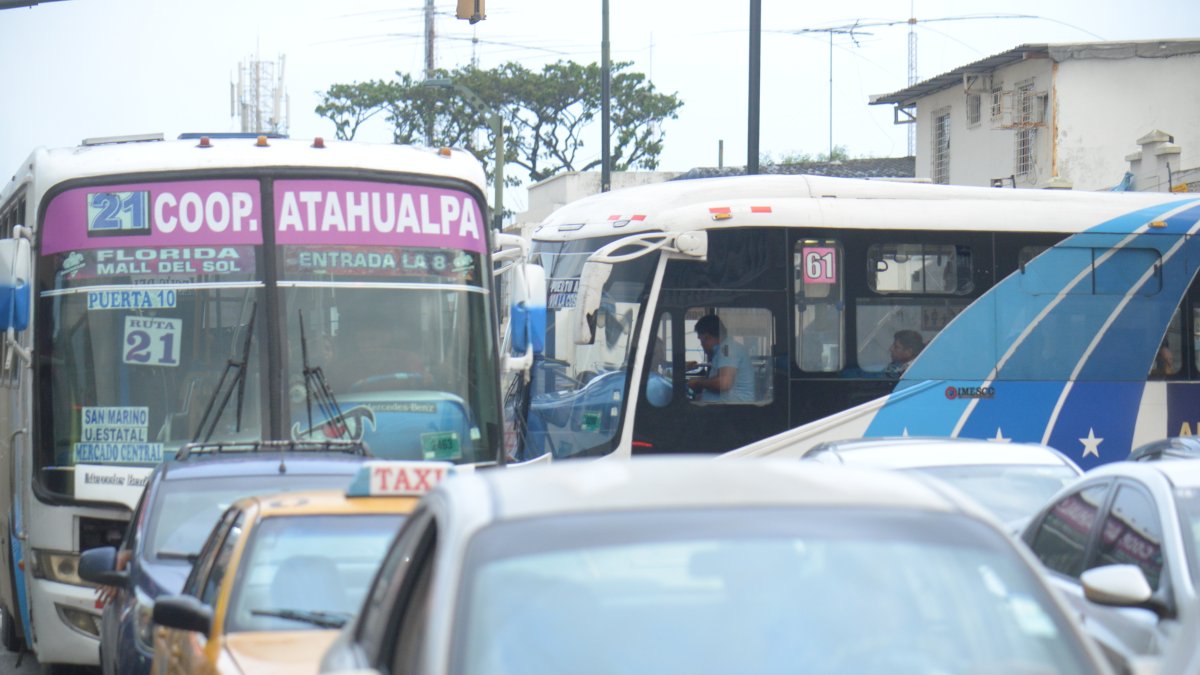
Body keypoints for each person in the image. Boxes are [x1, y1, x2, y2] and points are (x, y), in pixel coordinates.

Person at [687, 314, 756, 402]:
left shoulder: (727, 349)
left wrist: (698, 383)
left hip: (732, 409)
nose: (701, 345)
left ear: (707, 337)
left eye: (701, 340)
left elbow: (724, 383)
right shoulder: (725, 348)